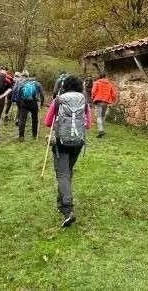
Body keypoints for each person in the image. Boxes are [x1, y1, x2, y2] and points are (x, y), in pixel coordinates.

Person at [44, 75, 92, 227]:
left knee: (62, 174)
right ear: (79, 86)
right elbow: (88, 125)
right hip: (78, 142)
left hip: (61, 143)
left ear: (64, 86)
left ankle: (67, 209)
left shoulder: (58, 100)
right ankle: (61, 203)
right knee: (67, 171)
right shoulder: (84, 101)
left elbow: (47, 122)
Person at [15, 71, 45, 141]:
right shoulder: (37, 84)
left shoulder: (23, 82)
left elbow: (19, 93)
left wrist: (19, 103)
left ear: (29, 76)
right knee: (35, 119)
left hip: (24, 103)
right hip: (34, 103)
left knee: (22, 119)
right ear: (36, 77)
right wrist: (41, 104)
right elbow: (42, 95)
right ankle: (34, 135)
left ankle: (21, 136)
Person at [90, 73, 118, 139]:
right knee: (102, 116)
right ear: (105, 77)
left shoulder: (97, 82)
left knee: (98, 116)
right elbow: (114, 94)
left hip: (98, 101)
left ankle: (101, 130)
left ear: (99, 77)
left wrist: (92, 97)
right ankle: (102, 129)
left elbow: (93, 92)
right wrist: (112, 100)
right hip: (106, 102)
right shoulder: (110, 84)